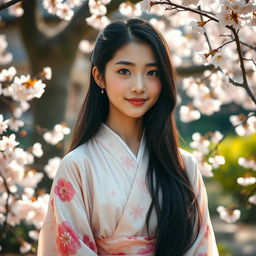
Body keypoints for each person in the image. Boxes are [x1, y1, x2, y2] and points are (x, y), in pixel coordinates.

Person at [37, 18, 219, 256]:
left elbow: (200, 249)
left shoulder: (184, 166)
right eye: (125, 71)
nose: (139, 86)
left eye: (152, 72)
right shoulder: (77, 166)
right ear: (99, 76)